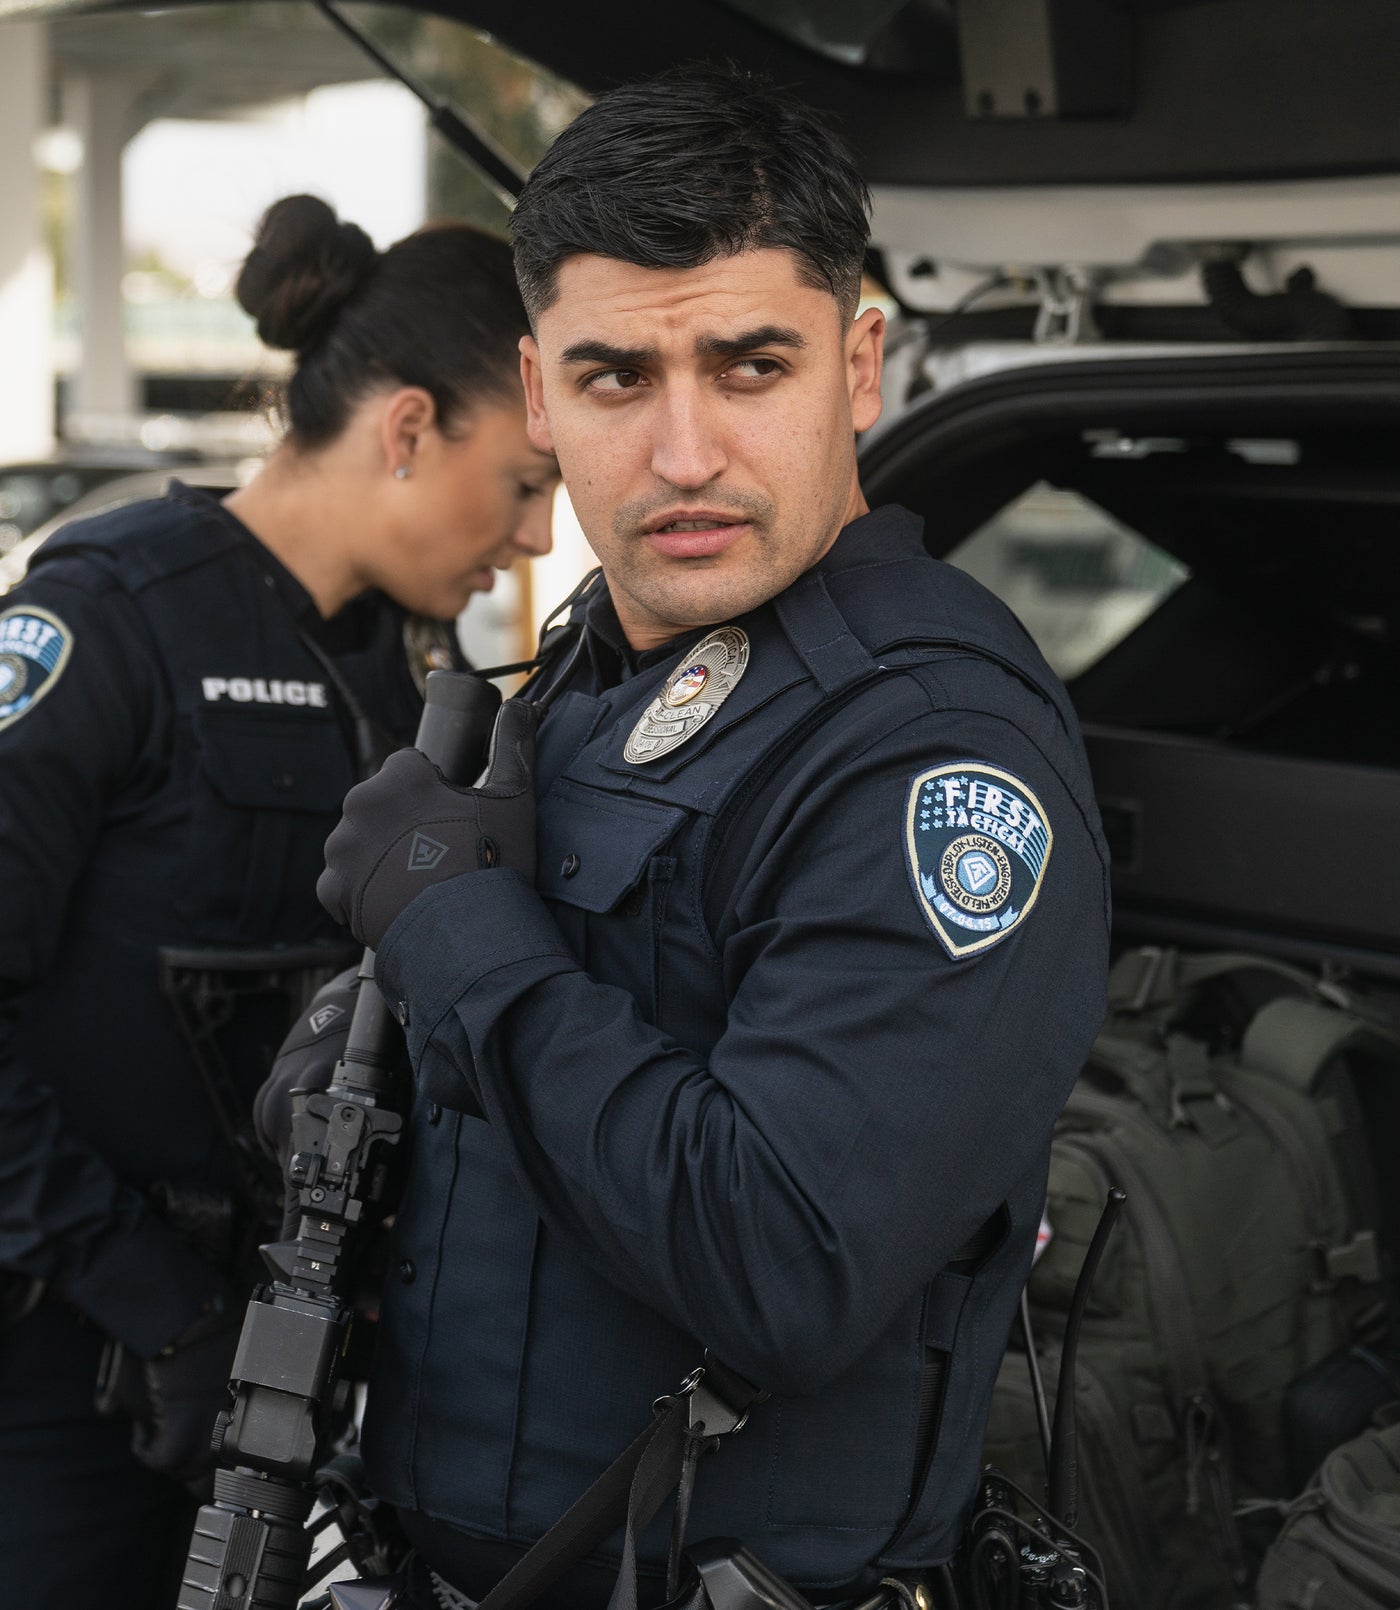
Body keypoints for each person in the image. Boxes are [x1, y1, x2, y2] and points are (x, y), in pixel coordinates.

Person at [310, 66, 1111, 1610]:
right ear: (540, 395)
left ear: (860, 364)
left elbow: (785, 1257)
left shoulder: (930, 744)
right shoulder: (605, 654)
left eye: (750, 365)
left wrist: (452, 940)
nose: (682, 455)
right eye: (617, 379)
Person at [0, 193, 556, 1610]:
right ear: (410, 426)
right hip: (67, 1360)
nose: (536, 533)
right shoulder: (109, 616)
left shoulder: (396, 680)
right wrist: (156, 1306)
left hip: (276, 1363)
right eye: (522, 480)